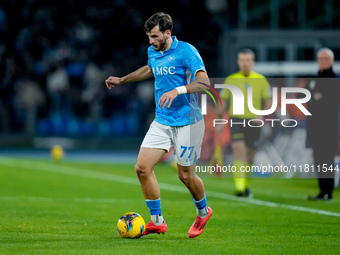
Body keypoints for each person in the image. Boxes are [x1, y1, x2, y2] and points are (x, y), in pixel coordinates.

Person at [105, 12, 212, 238]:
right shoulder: (153, 51)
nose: (150, 42)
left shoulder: (187, 52)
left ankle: (203, 211)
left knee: (185, 176)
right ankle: (157, 221)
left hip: (188, 123)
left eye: (154, 36)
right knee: (142, 168)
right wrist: (122, 80)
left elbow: (204, 83)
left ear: (168, 33)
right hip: (162, 121)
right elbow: (150, 68)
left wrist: (178, 90)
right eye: (148, 37)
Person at [218, 49, 272, 197]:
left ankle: (246, 186)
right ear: (238, 62)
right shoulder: (231, 79)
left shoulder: (261, 79)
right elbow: (223, 102)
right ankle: (240, 187)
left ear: (252, 62)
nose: (245, 63)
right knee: (238, 150)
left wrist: (261, 114)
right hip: (236, 120)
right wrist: (220, 119)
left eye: (248, 60)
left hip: (254, 121)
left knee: (250, 156)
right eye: (242, 60)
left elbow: (268, 101)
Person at [306, 48, 340, 200]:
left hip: (329, 126)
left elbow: (331, 102)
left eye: (326, 58)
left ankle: (328, 191)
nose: (323, 61)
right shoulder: (314, 80)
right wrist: (316, 98)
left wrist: (318, 99)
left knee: (327, 158)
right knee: (318, 158)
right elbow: (307, 99)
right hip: (314, 126)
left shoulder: (335, 80)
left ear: (332, 61)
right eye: (320, 58)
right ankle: (322, 190)